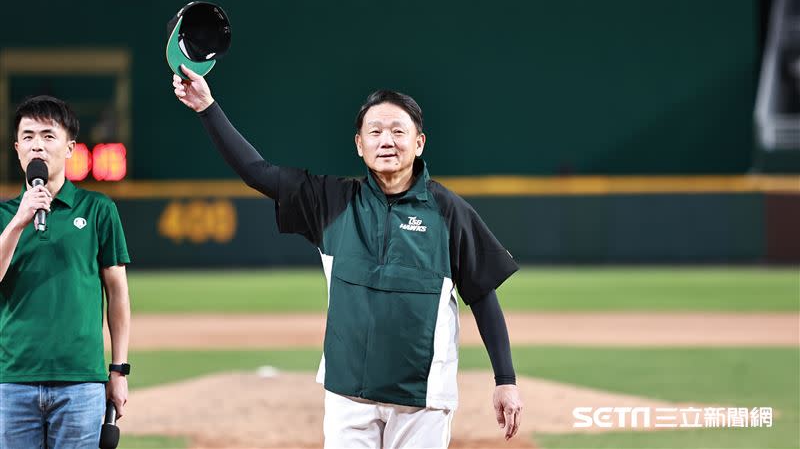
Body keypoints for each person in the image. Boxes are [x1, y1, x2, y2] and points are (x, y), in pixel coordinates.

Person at [173, 65, 523, 448]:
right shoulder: (333, 202)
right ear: (359, 144)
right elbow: (258, 173)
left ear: (419, 142)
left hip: (423, 401)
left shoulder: (448, 211)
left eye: (397, 131)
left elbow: (483, 297)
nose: (386, 140)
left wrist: (505, 379)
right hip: (348, 397)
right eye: (375, 132)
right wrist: (207, 107)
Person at [0, 95, 131, 447]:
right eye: (27, 137)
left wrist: (119, 371)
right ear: (16, 148)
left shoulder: (99, 209)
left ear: (70, 147)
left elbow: (117, 294)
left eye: (47, 135)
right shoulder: (4, 215)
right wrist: (18, 222)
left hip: (81, 382)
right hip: (12, 380)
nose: (36, 146)